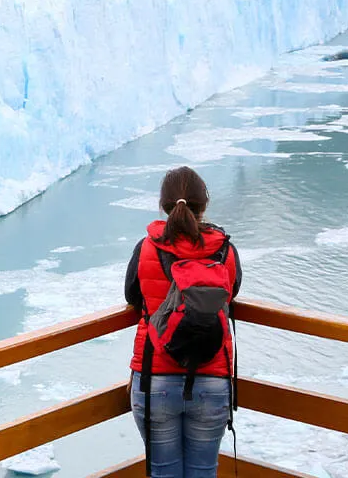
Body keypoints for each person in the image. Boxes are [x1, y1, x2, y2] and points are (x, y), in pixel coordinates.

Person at [123, 166, 241, 478]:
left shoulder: (147, 247)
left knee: (163, 473)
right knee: (203, 473)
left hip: (154, 375)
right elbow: (231, 293)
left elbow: (133, 295)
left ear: (163, 206)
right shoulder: (225, 250)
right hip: (213, 377)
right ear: (204, 205)